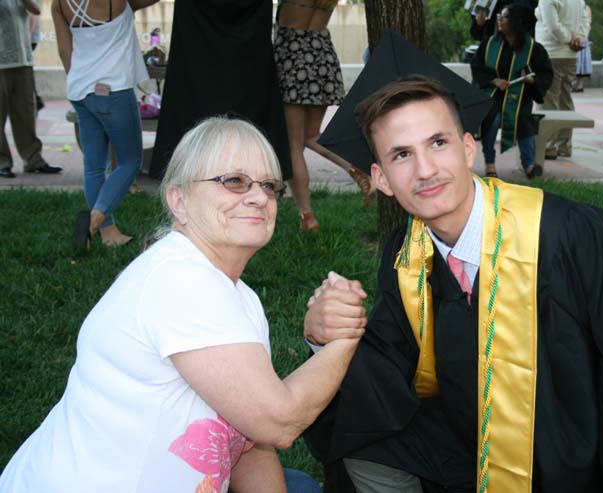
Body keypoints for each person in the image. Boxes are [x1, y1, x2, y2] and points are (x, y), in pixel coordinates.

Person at [302, 76, 603, 492]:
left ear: (468, 147)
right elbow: (387, 369)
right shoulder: (408, 254)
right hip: (469, 450)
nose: (426, 170)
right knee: (360, 435)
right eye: (401, 155)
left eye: (438, 142)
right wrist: (324, 338)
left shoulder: (569, 236)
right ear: (381, 180)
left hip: (585, 467)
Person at [0, 117, 365, 492]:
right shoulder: (181, 281)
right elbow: (279, 421)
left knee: (299, 485)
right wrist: (345, 337)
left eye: (270, 186)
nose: (259, 197)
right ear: (179, 200)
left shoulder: (237, 295)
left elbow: (251, 442)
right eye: (234, 181)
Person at [148, 0, 292, 184]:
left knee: (193, 129)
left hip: (197, 64)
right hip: (248, 66)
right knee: (250, 126)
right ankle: (252, 179)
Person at [52, 0, 155, 247]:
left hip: (80, 90)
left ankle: (109, 235)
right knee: (130, 162)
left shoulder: (59, 4)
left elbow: (65, 51)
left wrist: (82, 80)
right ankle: (93, 221)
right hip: (114, 91)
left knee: (94, 167)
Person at [274, 0, 375, 233]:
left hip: (292, 53)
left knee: (293, 143)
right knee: (311, 136)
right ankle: (354, 168)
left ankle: (306, 217)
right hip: (322, 51)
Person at [471, 4, 553, 179]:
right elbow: (477, 66)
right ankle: (490, 163)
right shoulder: (490, 44)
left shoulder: (533, 49)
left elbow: (545, 73)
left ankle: (529, 165)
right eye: (500, 15)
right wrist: (494, 80)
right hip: (492, 95)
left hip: (519, 95)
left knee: (522, 117)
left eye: (505, 17)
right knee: (491, 118)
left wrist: (532, 80)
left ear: (517, 22)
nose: (500, 19)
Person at [0, 0, 62, 179]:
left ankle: (33, 160)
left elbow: (35, 9)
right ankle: (2, 162)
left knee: (26, 113)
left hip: (23, 59)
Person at [535, 0, 589, 160]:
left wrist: (567, 39)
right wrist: (578, 38)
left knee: (548, 101)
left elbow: (553, 26)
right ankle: (565, 145)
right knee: (566, 99)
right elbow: (585, 20)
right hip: (570, 55)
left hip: (551, 53)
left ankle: (548, 146)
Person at [572, 4, 593, 92]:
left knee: (581, 63)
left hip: (581, 37)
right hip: (575, 36)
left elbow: (588, 22)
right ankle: (575, 83)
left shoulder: (586, 7)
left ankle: (580, 84)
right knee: (576, 63)